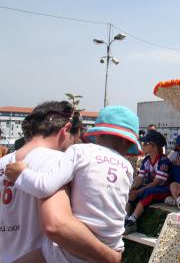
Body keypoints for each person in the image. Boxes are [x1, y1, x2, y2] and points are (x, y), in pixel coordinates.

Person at [5, 105, 140, 263]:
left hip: (72, 250)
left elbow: (45, 187)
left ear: (97, 134)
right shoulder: (128, 168)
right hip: (112, 245)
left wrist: (21, 175)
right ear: (126, 141)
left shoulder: (80, 152)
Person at [125, 130, 173, 234]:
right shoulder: (146, 160)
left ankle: (132, 221)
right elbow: (139, 178)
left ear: (154, 146)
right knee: (133, 192)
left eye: (146, 143)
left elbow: (155, 183)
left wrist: (138, 192)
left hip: (164, 189)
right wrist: (133, 189)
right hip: (150, 187)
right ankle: (125, 217)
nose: (143, 145)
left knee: (148, 192)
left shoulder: (163, 161)